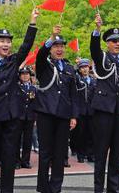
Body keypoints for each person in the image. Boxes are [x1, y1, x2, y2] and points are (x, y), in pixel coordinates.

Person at [0, 8, 39, 193]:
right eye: (2, 41)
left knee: (9, 158)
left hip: (11, 116)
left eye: (8, 42)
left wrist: (32, 23)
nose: (6, 44)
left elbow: (26, 46)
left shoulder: (14, 61)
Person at [90, 14, 119, 193]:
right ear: (107, 43)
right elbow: (94, 48)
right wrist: (97, 29)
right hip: (103, 111)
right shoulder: (102, 58)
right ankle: (98, 189)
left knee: (116, 153)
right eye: (114, 41)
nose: (117, 43)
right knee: (101, 153)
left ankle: (114, 188)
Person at [34, 25, 78, 193]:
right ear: (51, 48)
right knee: (45, 152)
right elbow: (40, 54)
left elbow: (73, 95)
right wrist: (51, 37)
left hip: (64, 115)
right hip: (46, 113)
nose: (59, 49)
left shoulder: (69, 68)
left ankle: (56, 186)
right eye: (56, 46)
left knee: (60, 153)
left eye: (61, 46)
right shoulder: (44, 65)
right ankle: (43, 187)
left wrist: (74, 115)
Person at [74, 58, 95, 163]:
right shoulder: (77, 80)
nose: (85, 69)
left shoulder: (94, 81)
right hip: (81, 111)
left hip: (91, 111)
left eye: (86, 67)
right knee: (81, 134)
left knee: (91, 134)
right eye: (82, 67)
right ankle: (81, 154)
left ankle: (91, 154)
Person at [17, 66, 36, 169]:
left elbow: (35, 103)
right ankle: (16, 161)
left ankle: (26, 161)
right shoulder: (16, 87)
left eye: (27, 74)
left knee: (27, 140)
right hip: (19, 117)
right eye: (23, 74)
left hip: (29, 117)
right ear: (19, 76)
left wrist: (35, 118)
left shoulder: (33, 88)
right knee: (17, 139)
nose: (25, 76)